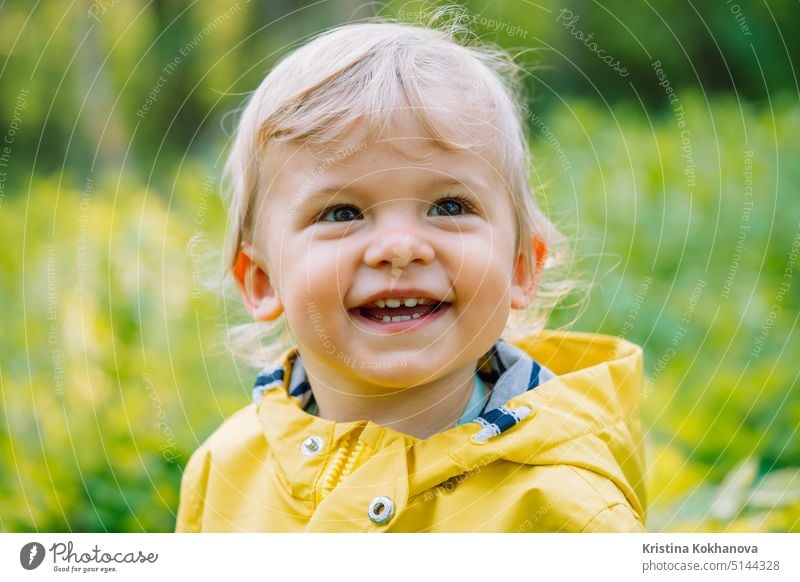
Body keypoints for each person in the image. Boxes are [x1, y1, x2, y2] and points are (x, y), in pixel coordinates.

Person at [175, 16, 646, 532]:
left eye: (448, 206)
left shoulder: (565, 513)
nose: (400, 248)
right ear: (261, 281)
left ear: (521, 267)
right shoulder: (225, 471)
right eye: (341, 213)